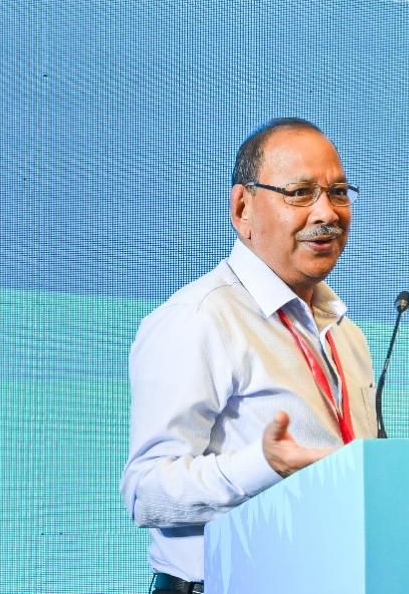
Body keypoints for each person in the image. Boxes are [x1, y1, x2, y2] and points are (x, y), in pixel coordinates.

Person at [120, 118, 378, 593]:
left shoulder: (345, 333)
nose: (328, 212)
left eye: (339, 192)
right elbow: (146, 491)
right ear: (242, 208)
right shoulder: (198, 319)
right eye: (300, 193)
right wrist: (265, 465)